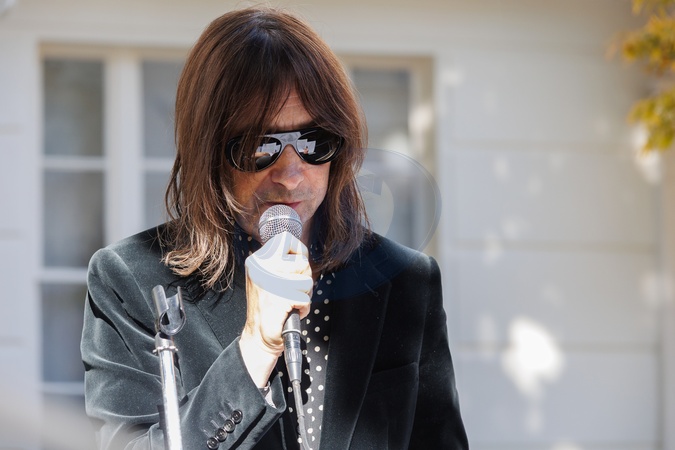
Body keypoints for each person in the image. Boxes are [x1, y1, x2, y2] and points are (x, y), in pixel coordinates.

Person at [81, 6, 468, 450]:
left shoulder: (407, 281)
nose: (290, 175)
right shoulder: (129, 280)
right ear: (208, 152)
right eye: (258, 146)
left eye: (313, 142)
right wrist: (253, 351)